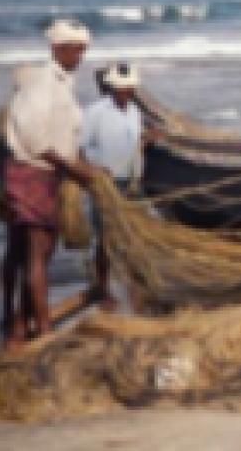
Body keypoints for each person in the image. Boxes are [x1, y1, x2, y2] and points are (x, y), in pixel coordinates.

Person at [0, 19, 95, 349]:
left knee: (40, 252)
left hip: (51, 173)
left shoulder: (63, 85)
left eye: (83, 50)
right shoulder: (41, 84)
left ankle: (20, 324)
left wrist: (84, 166)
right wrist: (72, 167)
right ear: (57, 48)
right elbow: (34, 138)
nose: (80, 56)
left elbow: (67, 134)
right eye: (74, 49)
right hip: (33, 172)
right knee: (37, 252)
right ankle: (41, 328)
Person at [79, 62, 145, 311]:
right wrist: (94, 170)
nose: (126, 92)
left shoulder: (134, 112)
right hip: (106, 183)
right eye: (121, 88)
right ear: (110, 88)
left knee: (132, 236)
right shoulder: (96, 112)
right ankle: (103, 289)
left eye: (129, 88)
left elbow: (133, 143)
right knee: (105, 239)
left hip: (130, 182)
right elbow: (81, 147)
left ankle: (133, 285)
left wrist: (148, 142)